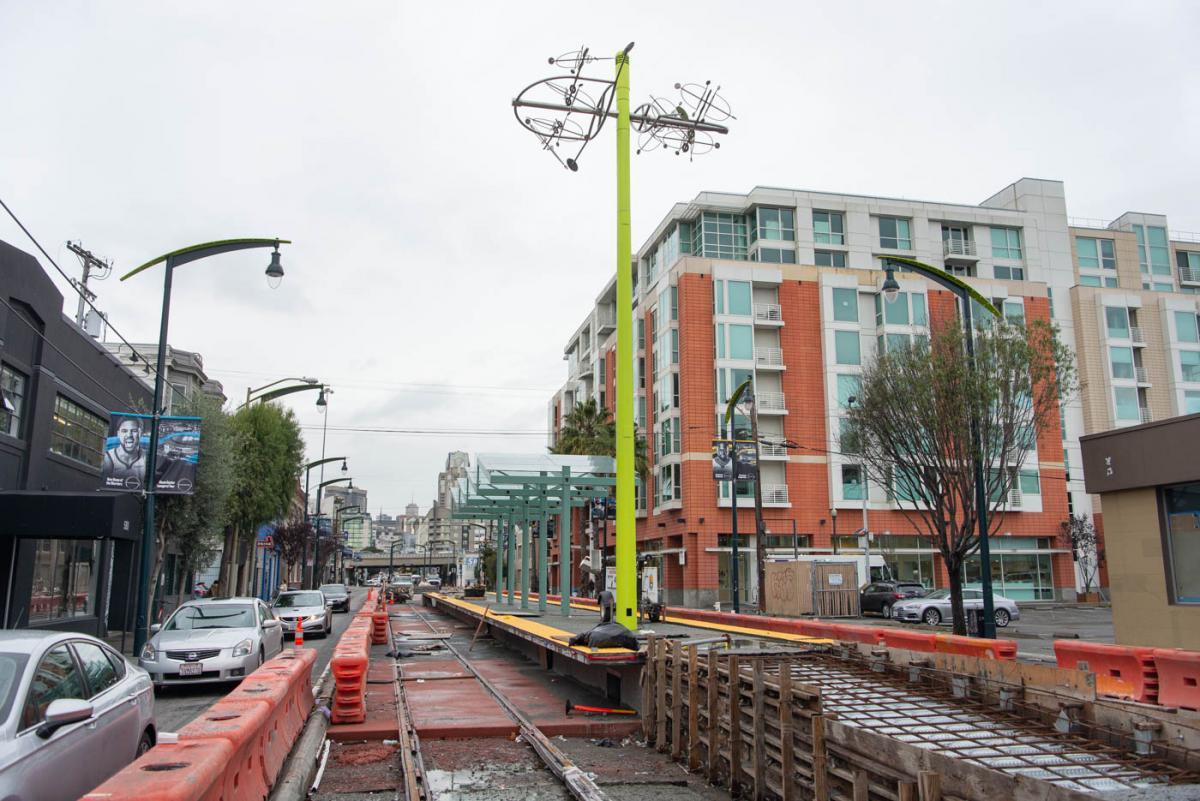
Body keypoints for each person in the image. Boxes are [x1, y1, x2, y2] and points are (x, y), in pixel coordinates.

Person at [102, 416, 146, 487]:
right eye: (124, 431)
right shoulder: (109, 457)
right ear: (118, 434)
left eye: (134, 431)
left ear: (140, 433)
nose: (129, 435)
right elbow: (105, 485)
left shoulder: (146, 457)